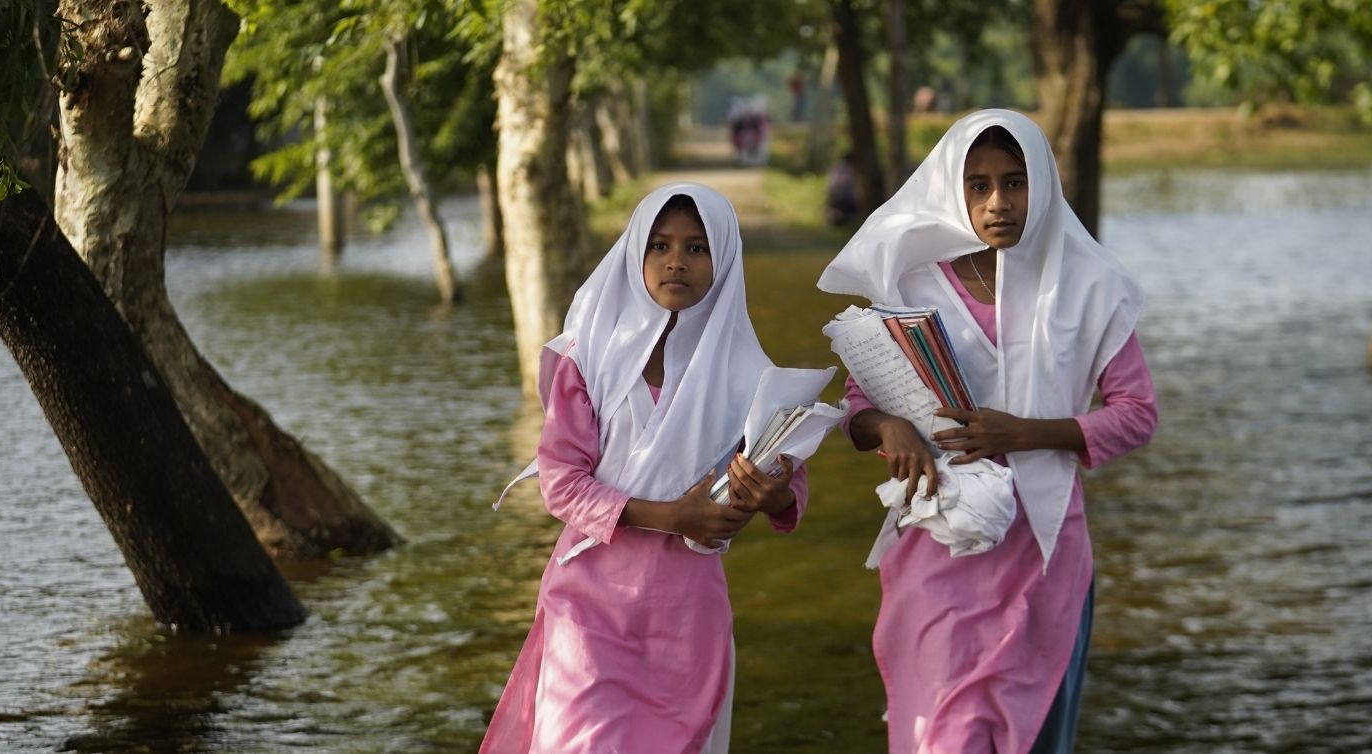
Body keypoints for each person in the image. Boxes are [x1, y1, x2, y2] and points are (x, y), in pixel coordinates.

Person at [815, 109, 1158, 754]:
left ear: (1044, 187)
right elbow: (859, 407)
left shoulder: (1087, 289)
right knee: (942, 732)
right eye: (979, 185)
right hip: (940, 542)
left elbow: (1137, 412)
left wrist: (1025, 434)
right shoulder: (913, 285)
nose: (999, 201)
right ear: (954, 190)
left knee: (1029, 730)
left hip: (1045, 547)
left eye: (1015, 182)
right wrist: (890, 428)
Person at [482, 183, 810, 754]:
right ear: (635, 253)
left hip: (686, 612)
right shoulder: (584, 359)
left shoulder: (752, 377)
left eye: (697, 248)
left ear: (725, 260)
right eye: (659, 245)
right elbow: (561, 484)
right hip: (588, 600)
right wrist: (672, 516)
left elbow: (790, 488)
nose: (676, 261)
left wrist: (770, 492)